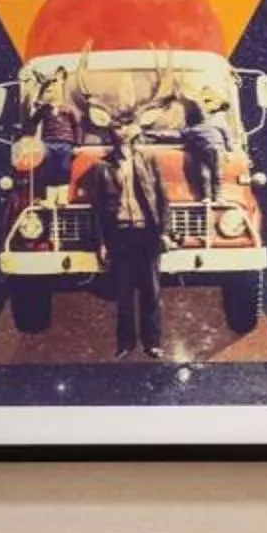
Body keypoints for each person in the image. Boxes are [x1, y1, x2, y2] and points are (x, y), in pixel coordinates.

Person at [84, 120, 169, 357]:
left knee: (151, 292)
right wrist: (100, 242)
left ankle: (152, 343)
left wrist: (164, 232)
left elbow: (163, 198)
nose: (122, 133)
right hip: (119, 236)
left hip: (147, 234)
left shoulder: (148, 160)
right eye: (118, 129)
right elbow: (98, 209)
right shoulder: (102, 167)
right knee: (123, 295)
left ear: (134, 134)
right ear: (112, 134)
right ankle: (125, 344)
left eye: (127, 128)